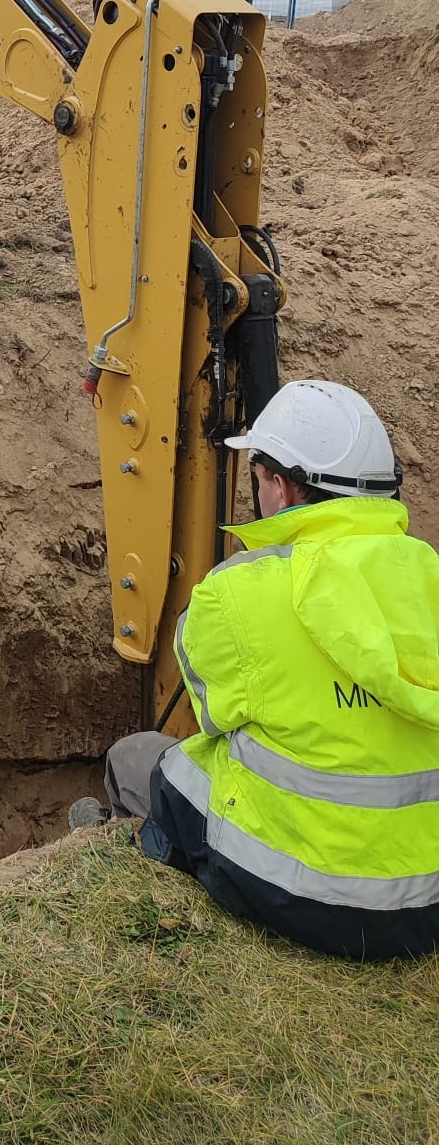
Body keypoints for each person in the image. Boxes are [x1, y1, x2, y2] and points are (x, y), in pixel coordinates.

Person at [74, 380, 439, 960]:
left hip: (302, 899)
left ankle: (131, 854)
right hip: (423, 904)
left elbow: (211, 715)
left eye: (259, 475)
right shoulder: (429, 576)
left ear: (282, 483)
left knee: (142, 758)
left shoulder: (237, 594)